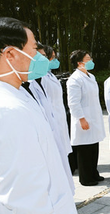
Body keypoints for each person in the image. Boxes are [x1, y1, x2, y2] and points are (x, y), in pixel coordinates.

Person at [0, 17, 91, 214]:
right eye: (31, 50)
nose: (37, 57)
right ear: (9, 54)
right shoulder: (4, 109)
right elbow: (23, 187)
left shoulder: (8, 95)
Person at [28, 44, 75, 193]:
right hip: (48, 131)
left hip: (58, 121)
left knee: (62, 164)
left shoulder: (46, 76)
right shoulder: (34, 81)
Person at [67, 49, 106, 186]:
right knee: (84, 150)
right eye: (88, 59)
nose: (91, 61)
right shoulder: (74, 79)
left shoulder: (91, 76)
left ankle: (93, 172)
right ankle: (85, 177)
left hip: (94, 117)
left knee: (93, 146)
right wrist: (81, 118)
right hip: (83, 118)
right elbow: (73, 102)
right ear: (79, 63)